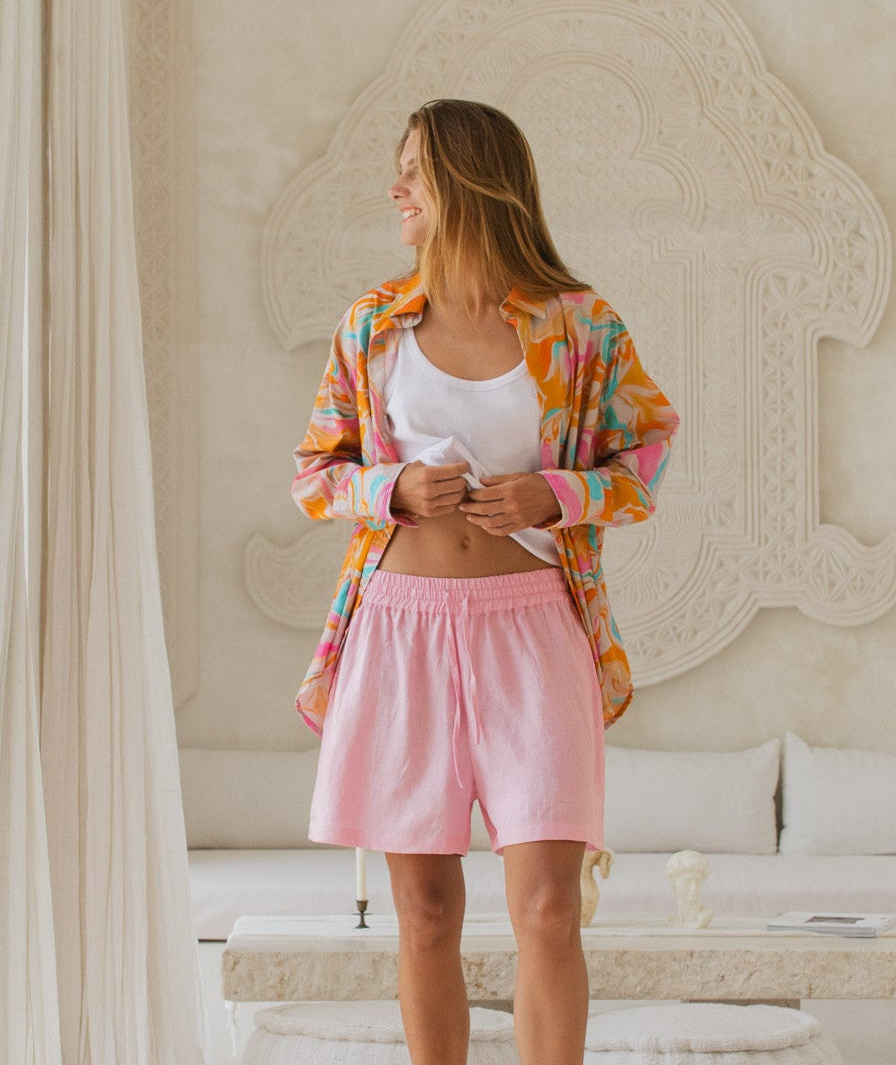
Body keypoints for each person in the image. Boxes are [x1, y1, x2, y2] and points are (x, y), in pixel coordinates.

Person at [290, 99, 678, 1065]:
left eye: (415, 171)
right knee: (423, 913)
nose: (397, 189)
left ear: (468, 180)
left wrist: (557, 494)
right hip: (398, 630)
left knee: (548, 905)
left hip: (533, 630)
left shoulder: (580, 324)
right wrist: (393, 488)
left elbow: (646, 455)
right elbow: (315, 474)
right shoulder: (373, 324)